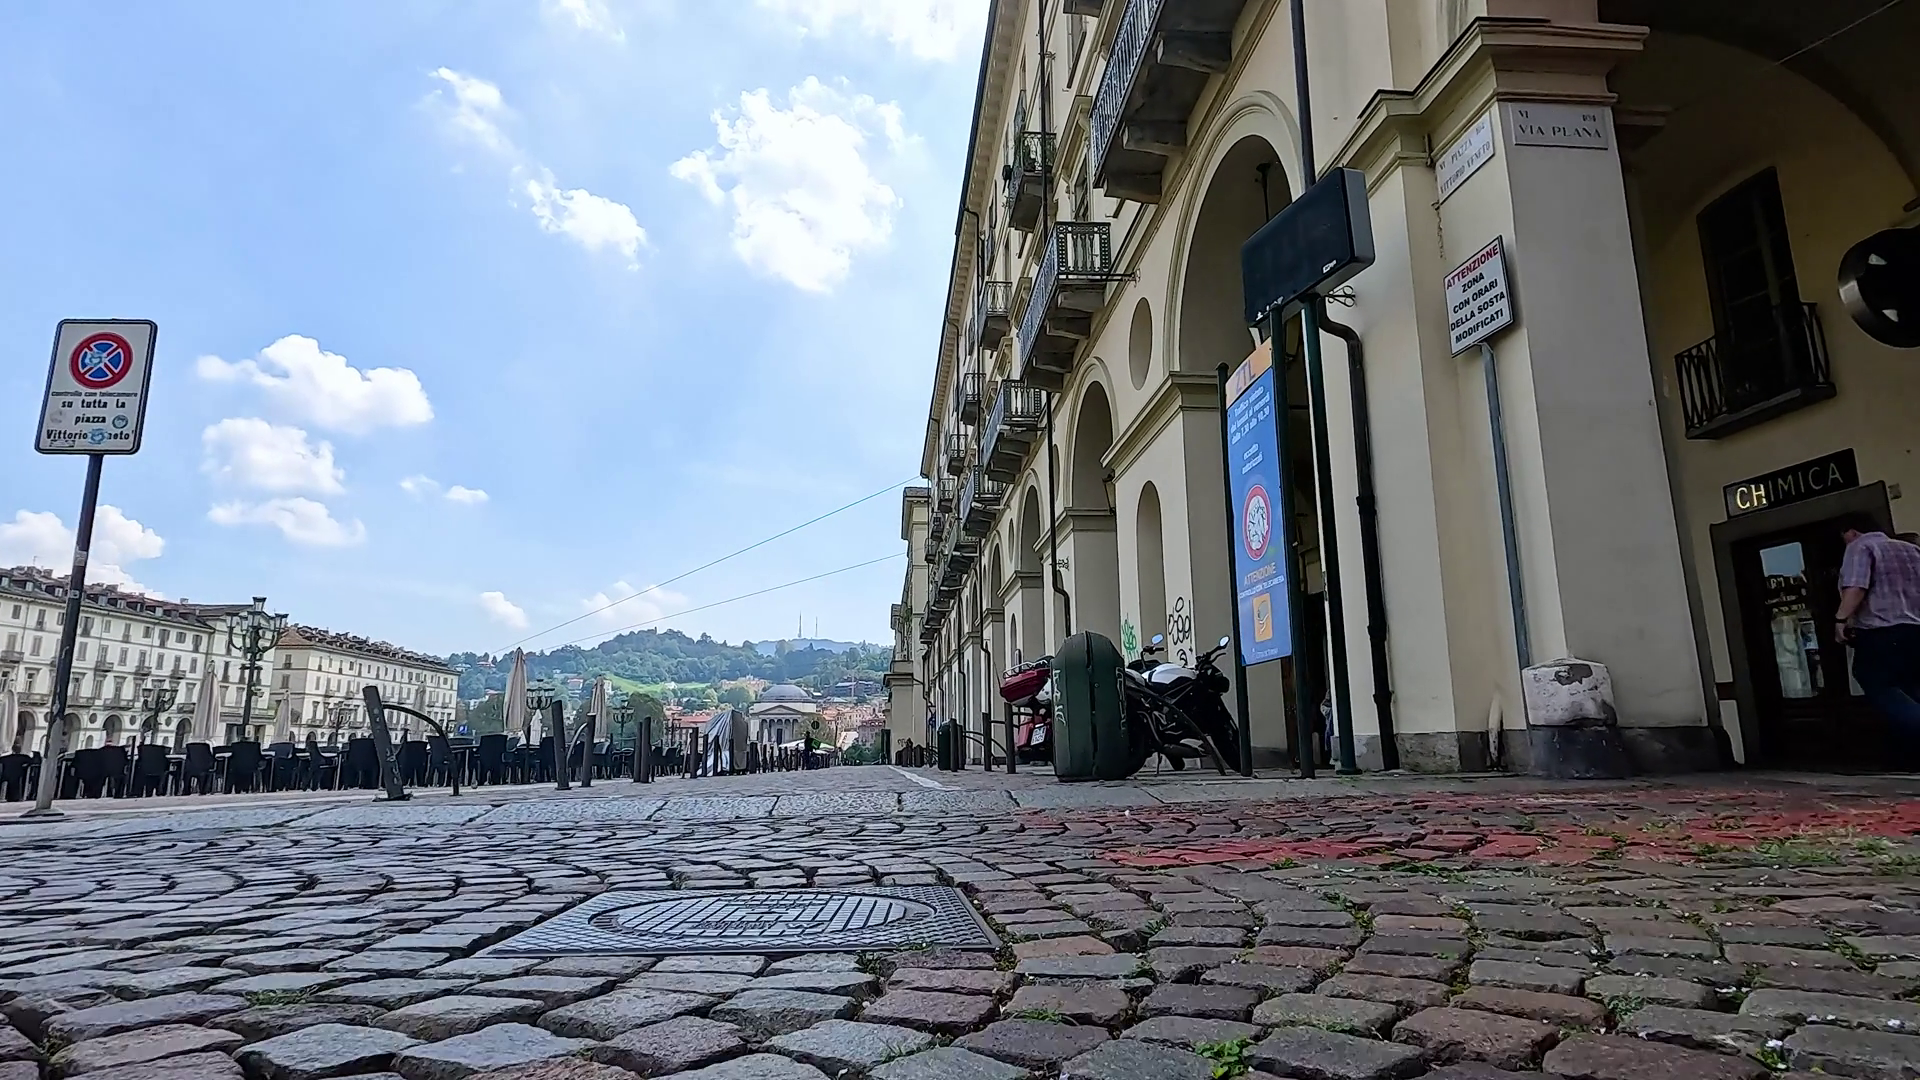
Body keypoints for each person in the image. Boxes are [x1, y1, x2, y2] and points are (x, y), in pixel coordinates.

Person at [1836, 512, 1920, 753]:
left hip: (1881, 631)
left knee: (1874, 680)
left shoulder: (1860, 547)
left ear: (1851, 532)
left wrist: (1841, 619)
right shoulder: (1912, 550)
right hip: (1915, 629)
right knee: (1911, 685)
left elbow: (1856, 587)